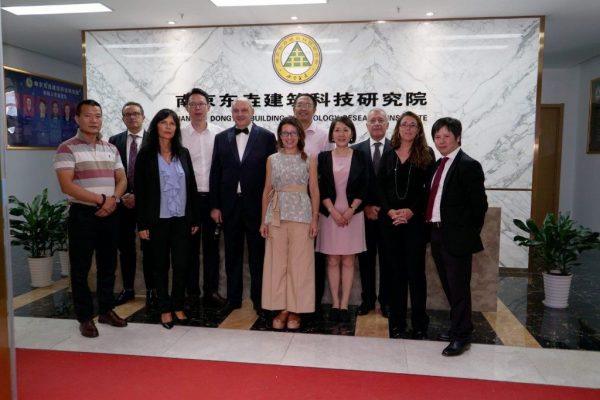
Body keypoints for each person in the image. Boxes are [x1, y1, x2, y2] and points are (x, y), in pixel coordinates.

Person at [53, 99, 128, 338]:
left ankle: (106, 310)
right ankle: (85, 317)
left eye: (98, 116)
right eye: (88, 115)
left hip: (110, 212)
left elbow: (122, 179)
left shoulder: (111, 148)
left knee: (108, 265)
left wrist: (113, 199)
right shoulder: (67, 148)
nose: (94, 120)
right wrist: (101, 200)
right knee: (81, 268)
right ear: (77, 118)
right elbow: (66, 185)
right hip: (83, 214)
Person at [209, 98, 277, 316]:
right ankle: (233, 299)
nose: (240, 114)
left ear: (252, 112)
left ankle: (259, 300)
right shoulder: (221, 138)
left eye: (244, 110)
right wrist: (215, 206)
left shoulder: (267, 137)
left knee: (258, 256)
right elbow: (215, 173)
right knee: (232, 256)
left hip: (257, 207)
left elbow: (272, 175)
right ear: (232, 113)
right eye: (236, 110)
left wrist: (269, 208)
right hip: (229, 207)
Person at [427, 117, 488, 356]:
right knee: (449, 286)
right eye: (437, 137)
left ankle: (461, 336)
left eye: (446, 136)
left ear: (458, 137)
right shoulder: (437, 165)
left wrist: (466, 234)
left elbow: (479, 206)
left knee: (459, 288)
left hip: (457, 238)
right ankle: (458, 328)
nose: (441, 141)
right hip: (437, 233)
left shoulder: (468, 165)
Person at [134, 109, 200, 329]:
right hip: (157, 220)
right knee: (159, 266)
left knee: (181, 265)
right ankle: (164, 308)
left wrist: (194, 218)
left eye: (172, 123)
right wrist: (142, 224)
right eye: (164, 123)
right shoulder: (145, 155)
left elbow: (191, 187)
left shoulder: (183, 153)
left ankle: (178, 304)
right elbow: (140, 192)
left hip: (181, 219)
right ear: (156, 126)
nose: (169, 127)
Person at [377, 111, 434, 340]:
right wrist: (390, 211)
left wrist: (411, 211)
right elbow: (379, 187)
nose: (408, 129)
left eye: (413, 125)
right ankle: (397, 323)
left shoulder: (426, 154)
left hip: (415, 223)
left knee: (415, 273)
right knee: (395, 274)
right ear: (398, 129)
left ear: (418, 130)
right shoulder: (388, 154)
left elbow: (429, 189)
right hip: (390, 222)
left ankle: (420, 323)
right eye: (404, 125)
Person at [260, 116, 319, 330]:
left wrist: (315, 219)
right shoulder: (272, 159)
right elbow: (267, 189)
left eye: (293, 133)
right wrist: (263, 220)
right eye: (285, 133)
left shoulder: (309, 158)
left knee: (300, 265)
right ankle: (281, 308)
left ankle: (296, 309)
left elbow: (314, 190)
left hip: (302, 216)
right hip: (276, 215)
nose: (289, 137)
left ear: (300, 135)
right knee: (277, 264)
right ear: (280, 136)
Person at [316, 116, 368, 323]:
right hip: (329, 215)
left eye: (346, 130)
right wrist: (333, 211)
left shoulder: (361, 156)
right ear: (331, 134)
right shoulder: (323, 157)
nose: (341, 134)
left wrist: (351, 210)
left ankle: (344, 305)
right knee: (332, 259)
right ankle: (335, 304)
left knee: (348, 260)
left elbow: (365, 185)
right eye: (337, 130)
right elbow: (320, 187)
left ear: (352, 133)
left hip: (353, 215)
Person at [181, 88, 226, 310]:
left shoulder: (220, 134)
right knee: (189, 248)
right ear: (186, 108)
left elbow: (223, 170)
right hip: (188, 199)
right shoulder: (179, 135)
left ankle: (211, 291)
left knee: (212, 248)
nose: (197, 108)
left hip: (213, 199)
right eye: (193, 104)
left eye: (201, 104)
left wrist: (218, 203)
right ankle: (191, 293)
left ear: (209, 107)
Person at [109, 102, 157, 309]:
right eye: (127, 114)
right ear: (123, 118)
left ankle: (152, 290)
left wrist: (138, 195)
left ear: (143, 117)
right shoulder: (114, 141)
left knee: (149, 248)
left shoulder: (155, 140)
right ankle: (128, 289)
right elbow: (112, 172)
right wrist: (123, 195)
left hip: (147, 204)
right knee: (125, 248)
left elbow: (157, 175)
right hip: (122, 204)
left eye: (136, 114)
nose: (132, 117)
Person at [292, 93, 330, 312]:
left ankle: (312, 302)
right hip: (288, 203)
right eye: (299, 105)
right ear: (293, 109)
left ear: (315, 110)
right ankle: (292, 301)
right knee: (293, 254)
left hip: (313, 200)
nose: (303, 108)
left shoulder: (323, 136)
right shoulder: (285, 134)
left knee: (314, 254)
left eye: (307, 105)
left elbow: (328, 171)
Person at [352, 108, 392, 318]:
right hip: (363, 215)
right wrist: (365, 206)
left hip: (388, 216)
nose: (376, 123)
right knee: (365, 260)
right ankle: (367, 300)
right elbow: (352, 184)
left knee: (387, 260)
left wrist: (384, 208)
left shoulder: (397, 148)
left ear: (387, 124)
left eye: (380, 120)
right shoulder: (356, 150)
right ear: (366, 125)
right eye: (372, 120)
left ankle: (386, 301)